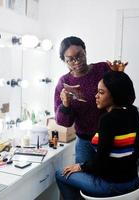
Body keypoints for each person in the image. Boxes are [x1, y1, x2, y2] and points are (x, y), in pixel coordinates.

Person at [55, 71, 139, 199]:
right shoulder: (132, 112)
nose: (96, 96)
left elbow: (101, 162)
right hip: (132, 182)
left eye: (101, 92)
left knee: (60, 174)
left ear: (115, 95)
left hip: (111, 186)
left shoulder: (107, 119)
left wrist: (80, 166)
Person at [55, 36, 127, 164]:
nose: (76, 62)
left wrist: (119, 75)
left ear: (85, 51)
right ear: (64, 61)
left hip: (110, 137)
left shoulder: (103, 69)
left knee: (109, 178)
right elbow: (64, 123)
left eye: (80, 56)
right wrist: (66, 105)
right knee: (83, 180)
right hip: (85, 142)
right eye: (70, 60)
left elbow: (124, 97)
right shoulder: (64, 82)